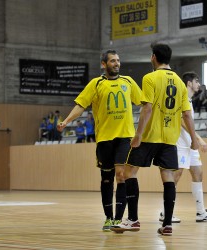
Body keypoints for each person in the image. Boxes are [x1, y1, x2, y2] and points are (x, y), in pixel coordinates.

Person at [111, 43, 199, 236]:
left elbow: (147, 108)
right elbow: (186, 114)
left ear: (153, 57)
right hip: (169, 138)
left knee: (129, 173)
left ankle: (133, 220)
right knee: (168, 177)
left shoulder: (150, 78)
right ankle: (167, 224)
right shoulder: (178, 81)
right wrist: (194, 139)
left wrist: (138, 135)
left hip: (150, 135)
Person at [57, 50, 142, 231]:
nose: (116, 63)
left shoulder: (128, 82)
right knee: (106, 179)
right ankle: (108, 217)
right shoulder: (96, 84)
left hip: (125, 136)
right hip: (104, 138)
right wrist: (66, 121)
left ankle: (118, 220)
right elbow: (81, 105)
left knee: (121, 175)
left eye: (118, 60)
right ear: (104, 64)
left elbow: (144, 103)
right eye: (112, 61)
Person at [159, 71, 207, 223]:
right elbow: (181, 121)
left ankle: (201, 213)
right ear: (189, 83)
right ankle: (165, 213)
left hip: (189, 143)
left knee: (198, 172)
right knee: (176, 176)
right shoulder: (181, 98)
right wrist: (198, 139)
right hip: (180, 143)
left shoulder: (190, 100)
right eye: (196, 81)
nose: (199, 84)